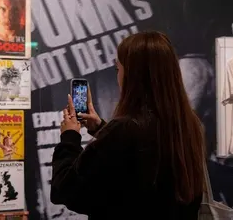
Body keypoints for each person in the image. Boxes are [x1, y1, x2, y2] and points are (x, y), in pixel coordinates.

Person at [50, 31, 205, 219]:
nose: (118, 77)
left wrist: (69, 136)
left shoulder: (123, 130)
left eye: (118, 69)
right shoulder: (188, 126)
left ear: (133, 75)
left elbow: (68, 189)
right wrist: (101, 129)